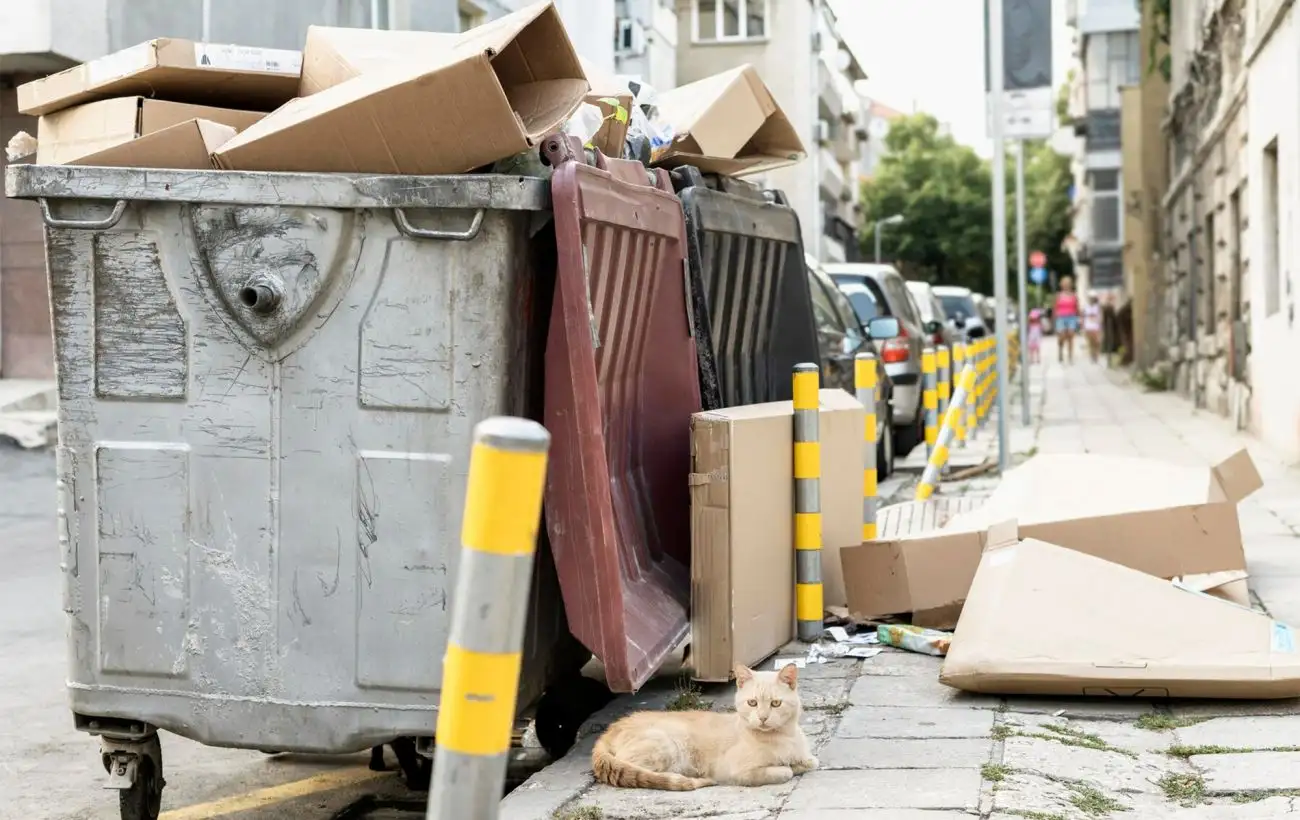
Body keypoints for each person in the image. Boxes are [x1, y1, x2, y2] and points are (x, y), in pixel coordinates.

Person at [1053, 276, 1080, 364]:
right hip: (1061, 317)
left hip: (1072, 317)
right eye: (1064, 284)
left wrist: (1080, 318)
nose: (1066, 285)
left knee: (1071, 335)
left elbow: (1077, 307)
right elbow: (1055, 308)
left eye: (1068, 284)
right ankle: (1060, 349)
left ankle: (1070, 356)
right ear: (1061, 285)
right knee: (1062, 336)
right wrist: (1054, 319)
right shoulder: (1058, 295)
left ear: (1070, 285)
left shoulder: (1074, 295)